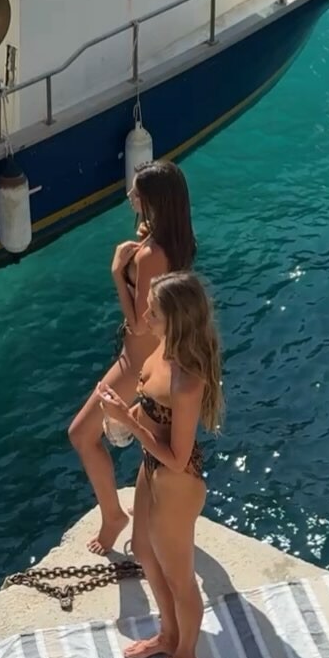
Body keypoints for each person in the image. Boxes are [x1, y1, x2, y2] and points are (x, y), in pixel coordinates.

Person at [98, 271, 223, 658]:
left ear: (175, 318)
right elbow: (151, 409)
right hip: (150, 466)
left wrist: (127, 421)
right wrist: (123, 411)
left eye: (153, 311)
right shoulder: (160, 348)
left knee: (180, 579)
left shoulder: (188, 380)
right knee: (144, 551)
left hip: (175, 483)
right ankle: (170, 634)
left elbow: (179, 457)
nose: (145, 316)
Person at [68, 160, 197, 555]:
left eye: (137, 193)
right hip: (157, 357)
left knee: (82, 435)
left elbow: (140, 324)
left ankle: (113, 516)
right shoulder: (175, 239)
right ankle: (147, 522)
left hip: (137, 361)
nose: (130, 196)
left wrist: (116, 273)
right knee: (146, 444)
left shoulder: (150, 255)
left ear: (154, 200)